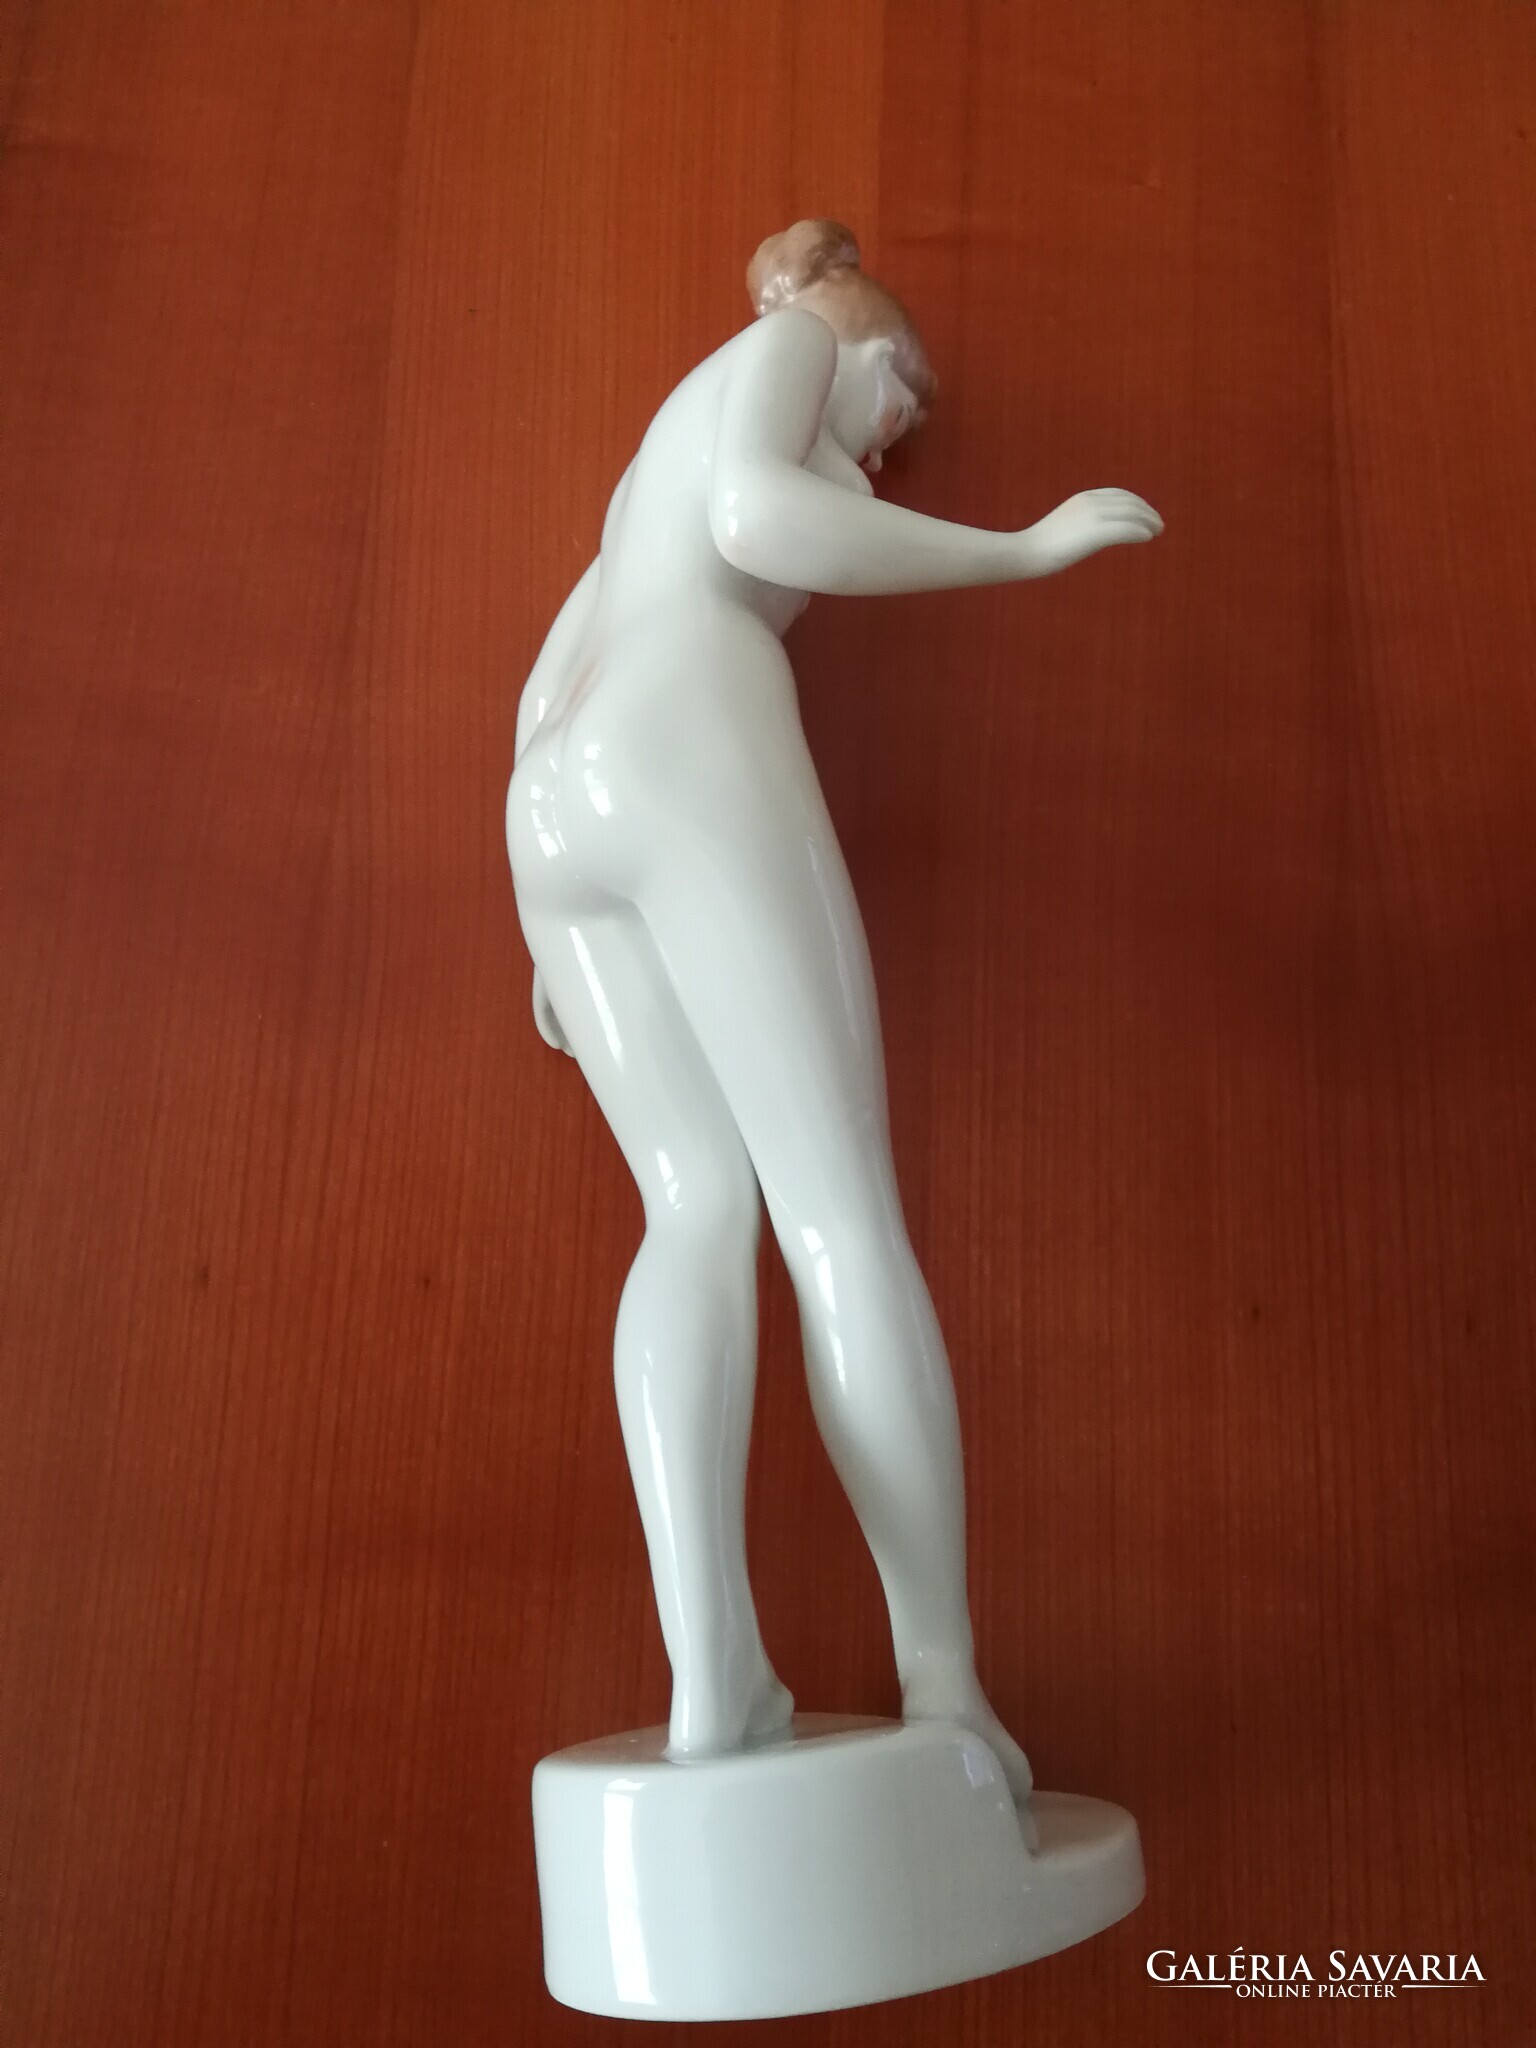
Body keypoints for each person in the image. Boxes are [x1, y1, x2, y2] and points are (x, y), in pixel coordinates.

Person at [506, 219, 1161, 1803]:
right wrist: (1019, 551)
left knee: (693, 1209)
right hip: (691, 727)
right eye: (901, 391)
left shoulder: (645, 476)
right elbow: (760, 512)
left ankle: (715, 1673)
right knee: (838, 1218)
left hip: (558, 802)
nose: (897, 429)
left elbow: (545, 687)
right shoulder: (788, 345)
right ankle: (942, 1684)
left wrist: (558, 927)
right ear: (850, 327)